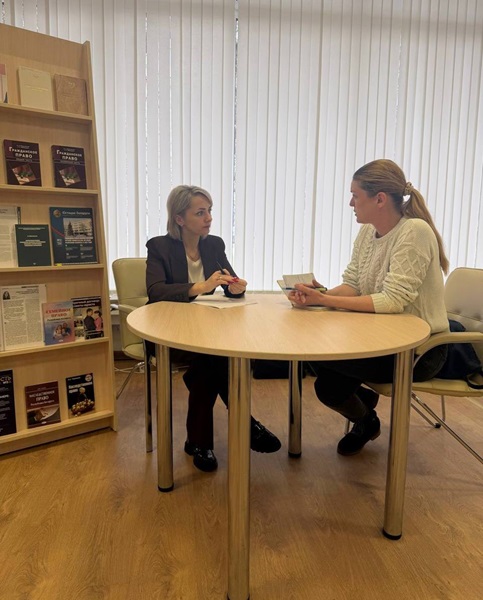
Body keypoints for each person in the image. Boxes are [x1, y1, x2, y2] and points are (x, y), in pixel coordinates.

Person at [289, 159, 450, 456]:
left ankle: (364, 417)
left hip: (419, 351)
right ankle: (366, 415)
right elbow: (353, 283)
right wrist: (318, 296)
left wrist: (326, 301)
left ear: (379, 199)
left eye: (355, 195)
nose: (351, 203)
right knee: (320, 370)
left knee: (322, 372)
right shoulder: (367, 232)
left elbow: (393, 300)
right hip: (381, 339)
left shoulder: (415, 231)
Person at [146, 185, 281, 472]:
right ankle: (246, 424)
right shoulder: (159, 246)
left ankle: (199, 443)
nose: (209, 218)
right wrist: (200, 287)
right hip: (168, 333)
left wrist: (236, 288)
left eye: (209, 211)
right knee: (213, 360)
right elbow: (155, 291)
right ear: (179, 219)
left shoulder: (213, 244)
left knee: (209, 363)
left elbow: (228, 281)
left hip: (206, 330)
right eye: (200, 212)